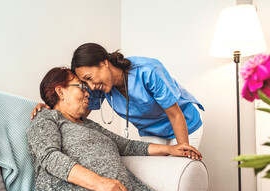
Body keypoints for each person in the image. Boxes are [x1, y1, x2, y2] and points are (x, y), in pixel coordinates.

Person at [27, 67, 202, 191]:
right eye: (81, 87)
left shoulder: (88, 124)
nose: (88, 93)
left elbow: (126, 146)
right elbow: (50, 157)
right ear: (60, 91)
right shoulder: (46, 118)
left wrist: (171, 149)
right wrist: (100, 183)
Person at [32, 43, 204, 149]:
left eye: (90, 78)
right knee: (157, 179)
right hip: (151, 131)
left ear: (104, 63)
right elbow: (78, 115)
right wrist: (51, 108)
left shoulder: (147, 70)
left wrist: (183, 148)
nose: (91, 86)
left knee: (179, 171)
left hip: (184, 123)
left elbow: (174, 114)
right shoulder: (98, 88)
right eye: (85, 82)